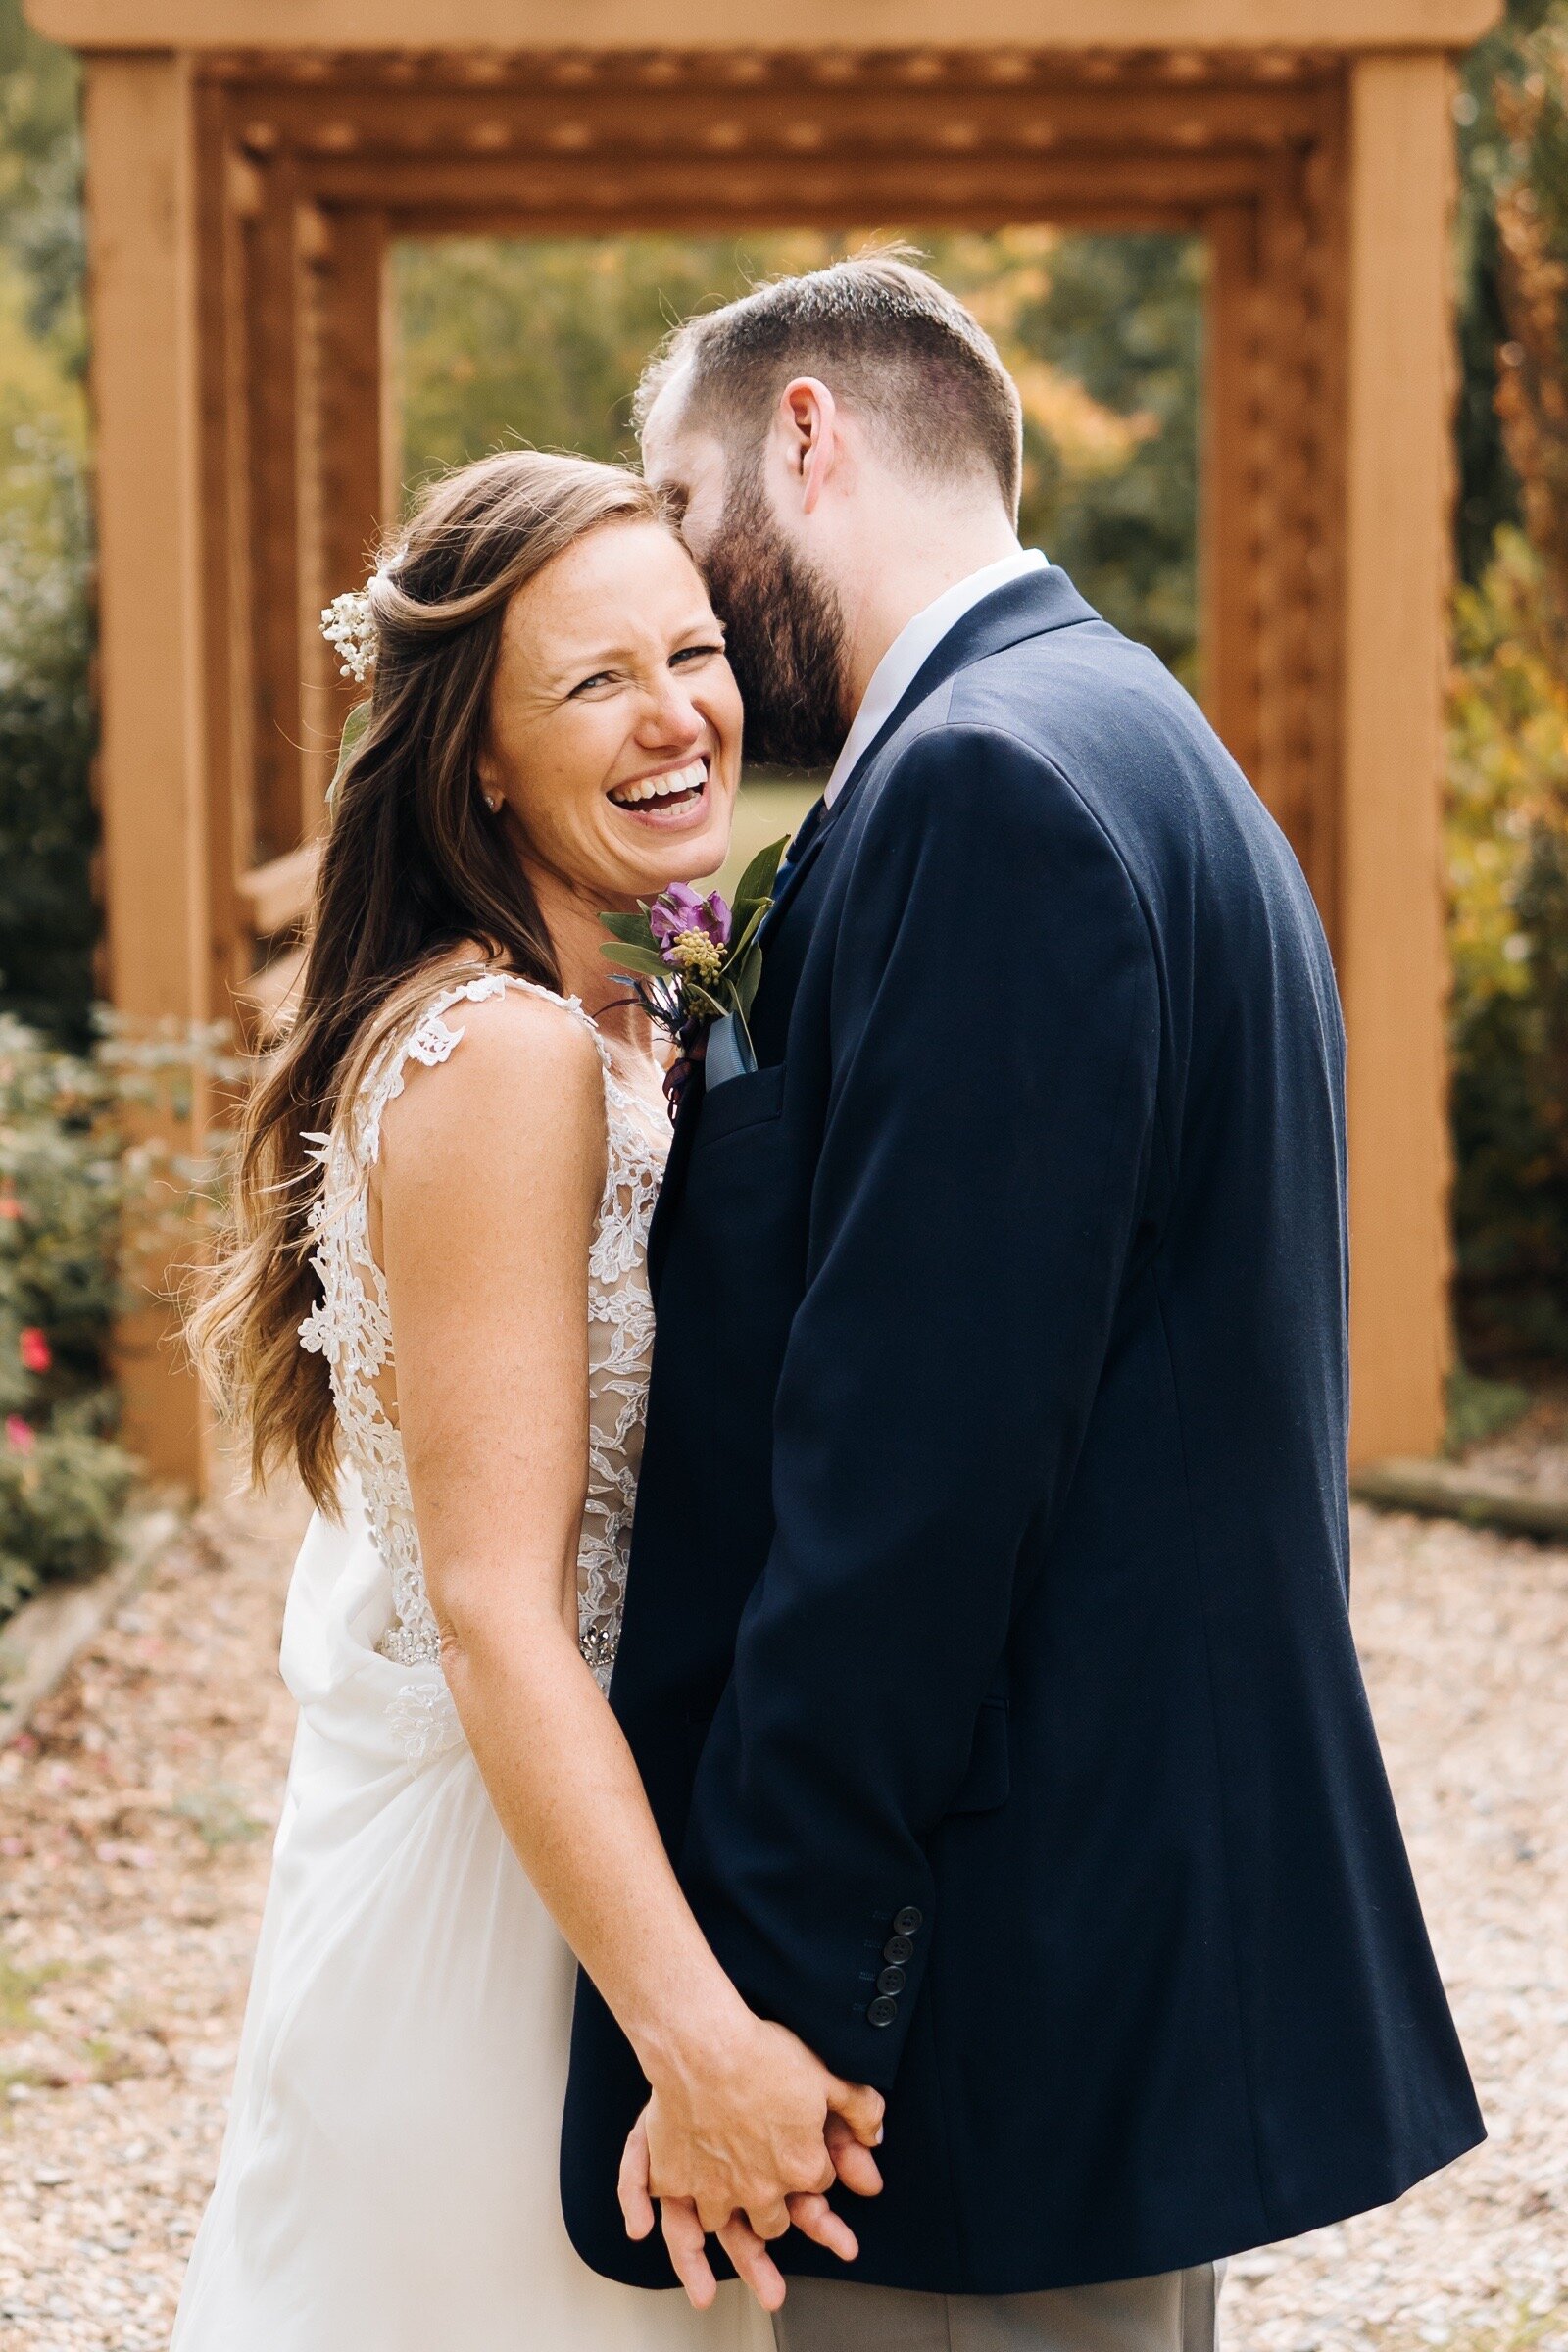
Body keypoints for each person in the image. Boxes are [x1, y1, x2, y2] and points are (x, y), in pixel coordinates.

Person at [559, 254, 1486, 2351]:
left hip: (963, 1985)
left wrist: (754, 2009)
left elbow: (917, 1482)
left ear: (804, 433)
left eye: (682, 515)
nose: (689, 624)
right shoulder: (1129, 732)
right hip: (1084, 1927)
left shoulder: (984, 790)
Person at [172, 450, 883, 2352]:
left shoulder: (644, 989)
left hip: (578, 1820)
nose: (678, 719)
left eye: (695, 651)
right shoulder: (496, 1060)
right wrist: (695, 2037)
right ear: (474, 759)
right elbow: (493, 1600)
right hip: (504, 1914)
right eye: (594, 684)